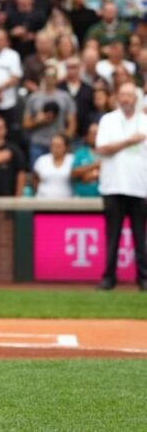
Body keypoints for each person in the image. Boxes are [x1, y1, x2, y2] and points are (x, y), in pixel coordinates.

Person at [94, 82, 147, 291]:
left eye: (129, 95)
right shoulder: (108, 120)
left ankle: (143, 278)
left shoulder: (144, 121)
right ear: (117, 98)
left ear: (135, 98)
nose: (125, 99)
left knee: (140, 236)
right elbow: (102, 148)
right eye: (122, 95)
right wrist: (129, 141)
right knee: (112, 236)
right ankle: (108, 278)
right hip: (113, 186)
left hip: (139, 187)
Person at [22, 64, 77, 167]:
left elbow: (72, 123)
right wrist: (38, 120)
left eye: (52, 75)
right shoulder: (34, 98)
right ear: (42, 77)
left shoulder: (65, 97)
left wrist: (66, 140)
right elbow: (25, 124)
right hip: (38, 143)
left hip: (59, 144)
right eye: (47, 75)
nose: (49, 78)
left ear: (56, 78)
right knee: (37, 174)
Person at [32, 134, 74, 198]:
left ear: (66, 147)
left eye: (59, 146)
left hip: (67, 201)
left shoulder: (72, 159)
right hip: (43, 201)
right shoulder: (42, 160)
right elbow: (35, 178)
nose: (55, 148)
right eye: (53, 145)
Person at [71, 122, 101, 197]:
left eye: (97, 134)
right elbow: (74, 173)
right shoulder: (80, 153)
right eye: (92, 134)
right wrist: (96, 165)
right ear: (86, 137)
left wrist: (93, 175)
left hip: (102, 197)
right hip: (82, 197)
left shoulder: (108, 153)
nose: (95, 137)